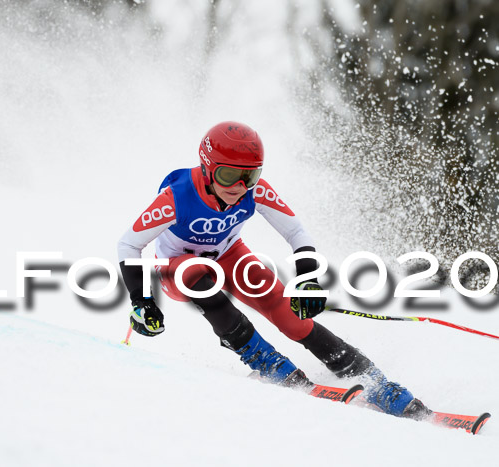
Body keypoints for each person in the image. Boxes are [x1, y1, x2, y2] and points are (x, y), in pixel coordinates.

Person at [117, 121, 430, 419]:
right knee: (195, 271)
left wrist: (308, 279)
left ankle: (376, 382)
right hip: (179, 268)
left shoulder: (255, 192)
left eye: (249, 177)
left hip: (228, 257)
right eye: (227, 176)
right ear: (207, 168)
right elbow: (129, 245)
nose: (238, 188)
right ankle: (265, 361)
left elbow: (297, 233)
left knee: (291, 317)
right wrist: (141, 301)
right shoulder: (176, 198)